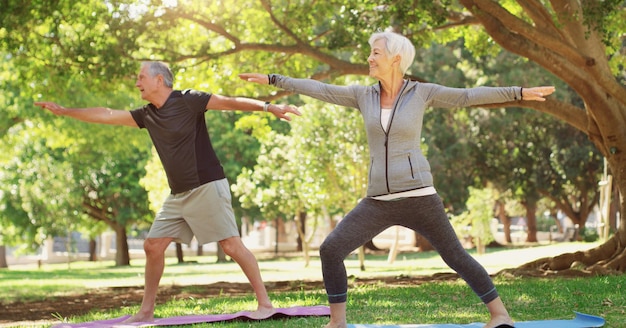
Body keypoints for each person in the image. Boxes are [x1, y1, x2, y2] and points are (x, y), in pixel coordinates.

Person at [240, 31, 555, 328]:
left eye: (375, 53)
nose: (369, 58)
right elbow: (319, 89)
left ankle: (500, 315)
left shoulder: (422, 93)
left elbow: (468, 96)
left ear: (395, 59)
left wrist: (519, 92)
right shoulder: (363, 96)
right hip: (377, 201)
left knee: (455, 255)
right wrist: (273, 79)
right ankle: (337, 322)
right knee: (331, 249)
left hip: (419, 195)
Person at [35, 61, 301, 323]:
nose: (137, 83)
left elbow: (229, 102)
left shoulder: (188, 100)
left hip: (207, 185)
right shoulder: (147, 114)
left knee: (230, 245)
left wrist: (268, 107)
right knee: (153, 246)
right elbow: (106, 114)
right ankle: (146, 311)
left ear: (159, 80)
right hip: (178, 194)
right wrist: (65, 111)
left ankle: (265, 304)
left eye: (141, 77)